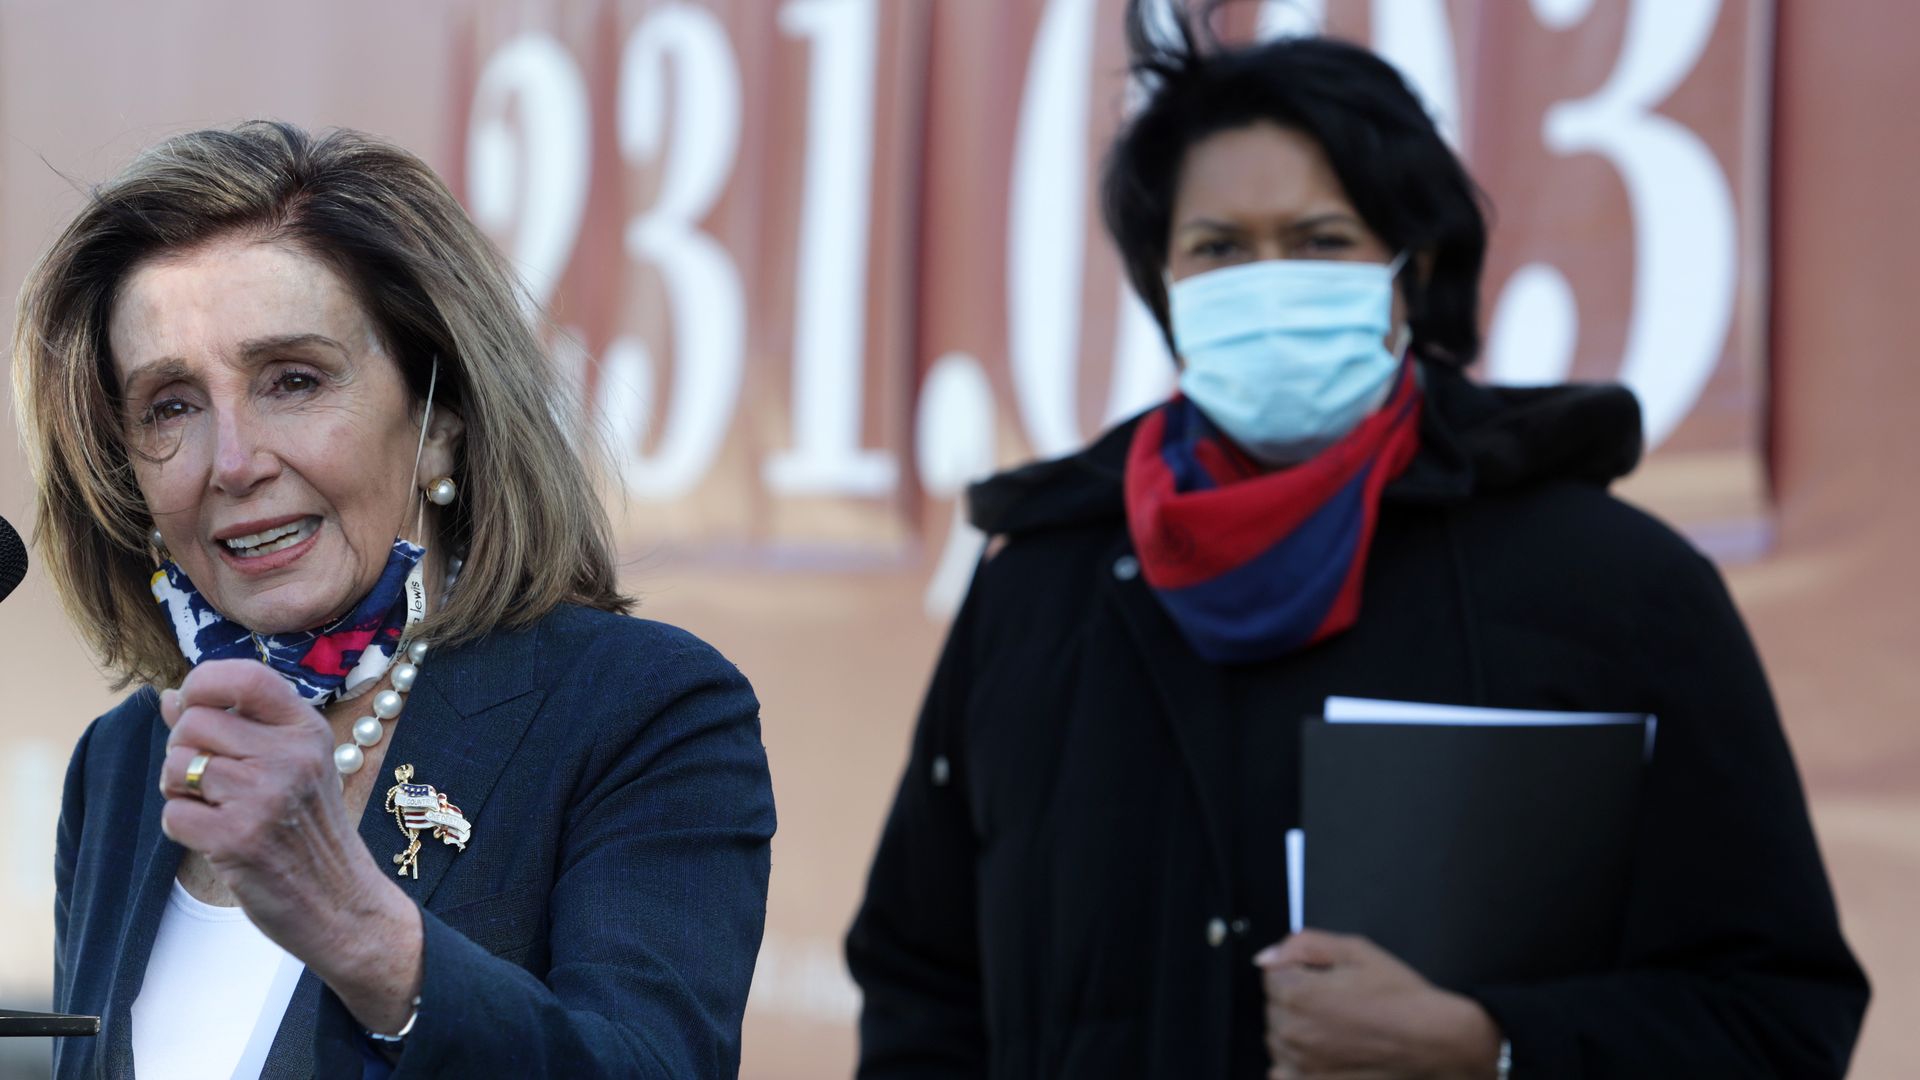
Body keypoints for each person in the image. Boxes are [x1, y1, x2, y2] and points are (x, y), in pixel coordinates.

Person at [845, 6, 1867, 1078]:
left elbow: (1777, 1014)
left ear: (1411, 275)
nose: (1268, 279)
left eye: (1322, 240)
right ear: (1164, 287)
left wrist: (1498, 1048)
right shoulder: (1038, 592)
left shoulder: (1612, 587)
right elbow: (923, 985)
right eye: (1219, 249)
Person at [13, 120, 775, 1078]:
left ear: (440, 425)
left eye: (293, 380)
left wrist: (359, 929)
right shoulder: (126, 762)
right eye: (170, 404)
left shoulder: (637, 710)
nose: (234, 462)